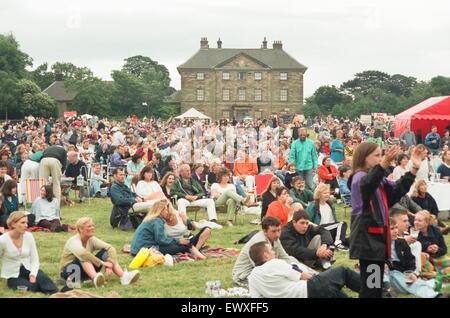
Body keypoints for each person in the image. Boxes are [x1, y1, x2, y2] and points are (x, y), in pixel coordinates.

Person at [349, 143, 425, 298]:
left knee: (375, 287)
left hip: (377, 241)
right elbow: (367, 185)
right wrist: (383, 164)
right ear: (364, 157)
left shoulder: (379, 179)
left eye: (380, 154)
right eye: (377, 155)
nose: (381, 158)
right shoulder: (358, 177)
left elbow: (397, 191)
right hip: (368, 241)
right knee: (371, 289)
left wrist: (413, 169)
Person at [247, 241, 361, 298]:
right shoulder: (274, 263)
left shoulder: (252, 277)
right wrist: (320, 279)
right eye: (271, 250)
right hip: (309, 288)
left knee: (331, 291)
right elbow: (303, 276)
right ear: (266, 255)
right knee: (343, 271)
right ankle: (375, 290)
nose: (273, 252)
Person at [232, 216, 317, 287]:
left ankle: (315, 276)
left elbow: (285, 257)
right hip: (245, 275)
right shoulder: (258, 242)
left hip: (261, 271)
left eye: (279, 230)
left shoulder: (275, 238)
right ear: (264, 231)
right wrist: (294, 273)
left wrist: (307, 271)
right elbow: (263, 269)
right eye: (273, 231)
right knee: (284, 282)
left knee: (291, 262)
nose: (277, 234)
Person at [60, 217, 140, 288]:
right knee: (84, 256)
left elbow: (110, 248)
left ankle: (124, 277)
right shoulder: (73, 241)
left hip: (83, 270)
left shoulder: (91, 239)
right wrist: (103, 263)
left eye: (93, 226)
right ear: (80, 229)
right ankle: (95, 278)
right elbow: (83, 254)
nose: (92, 228)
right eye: (89, 226)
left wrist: (110, 263)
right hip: (70, 272)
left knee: (106, 252)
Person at [0, 212, 58, 294]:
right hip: (13, 275)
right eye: (23, 223)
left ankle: (60, 294)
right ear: (13, 224)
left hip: (29, 269)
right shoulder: (3, 240)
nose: (26, 225)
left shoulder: (29, 236)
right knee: (31, 287)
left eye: (26, 223)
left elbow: (35, 259)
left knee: (45, 280)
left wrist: (33, 274)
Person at [130, 200, 206, 259]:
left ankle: (197, 253)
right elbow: (161, 240)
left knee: (180, 244)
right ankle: (201, 256)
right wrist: (178, 241)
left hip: (136, 250)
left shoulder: (151, 219)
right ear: (161, 211)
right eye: (166, 210)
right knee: (182, 246)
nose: (167, 212)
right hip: (144, 251)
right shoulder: (157, 221)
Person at [385, 217, 440, 298]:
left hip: (399, 274)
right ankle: (431, 289)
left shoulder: (401, 242)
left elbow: (410, 260)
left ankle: (431, 291)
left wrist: (412, 273)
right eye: (392, 228)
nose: (396, 231)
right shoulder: (379, 245)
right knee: (393, 276)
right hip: (385, 275)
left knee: (407, 284)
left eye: (396, 227)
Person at [306, 183, 348, 249]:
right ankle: (337, 243)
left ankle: (336, 243)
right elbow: (306, 220)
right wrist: (316, 226)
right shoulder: (313, 205)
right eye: (325, 193)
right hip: (320, 229)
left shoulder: (329, 204)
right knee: (342, 223)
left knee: (347, 239)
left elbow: (334, 221)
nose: (327, 195)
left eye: (328, 193)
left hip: (331, 228)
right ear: (319, 194)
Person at [415, 210, 450, 276]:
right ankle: (438, 273)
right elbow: (411, 251)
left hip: (436, 257)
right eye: (415, 220)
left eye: (419, 221)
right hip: (423, 259)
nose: (416, 222)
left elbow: (444, 249)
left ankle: (437, 273)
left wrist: (437, 250)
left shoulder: (436, 231)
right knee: (424, 262)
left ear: (427, 223)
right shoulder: (412, 232)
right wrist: (426, 249)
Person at [390, 209, 422, 275]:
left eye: (407, 221)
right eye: (404, 221)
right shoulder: (384, 242)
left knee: (417, 244)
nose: (408, 224)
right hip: (392, 271)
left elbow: (410, 260)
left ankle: (415, 273)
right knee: (416, 244)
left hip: (405, 270)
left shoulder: (405, 235)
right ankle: (416, 273)